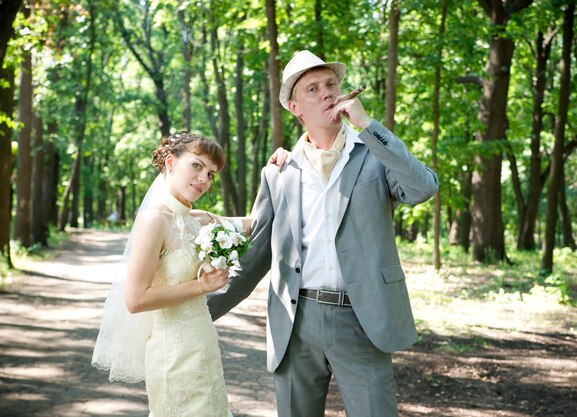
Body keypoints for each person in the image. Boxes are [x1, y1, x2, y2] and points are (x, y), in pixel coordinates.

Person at [207, 50, 439, 417]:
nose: (327, 93)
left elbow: (422, 188)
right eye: (312, 89)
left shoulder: (376, 154)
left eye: (331, 84)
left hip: (364, 319)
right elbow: (256, 257)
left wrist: (369, 126)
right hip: (296, 322)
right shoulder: (279, 172)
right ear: (295, 108)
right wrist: (199, 310)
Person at [92, 132, 257, 417]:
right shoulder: (154, 220)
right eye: (196, 166)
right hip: (173, 354)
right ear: (170, 162)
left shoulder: (200, 219)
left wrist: (277, 168)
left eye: (211, 174)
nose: (204, 179)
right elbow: (135, 299)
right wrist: (201, 285)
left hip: (204, 346)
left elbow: (255, 223)